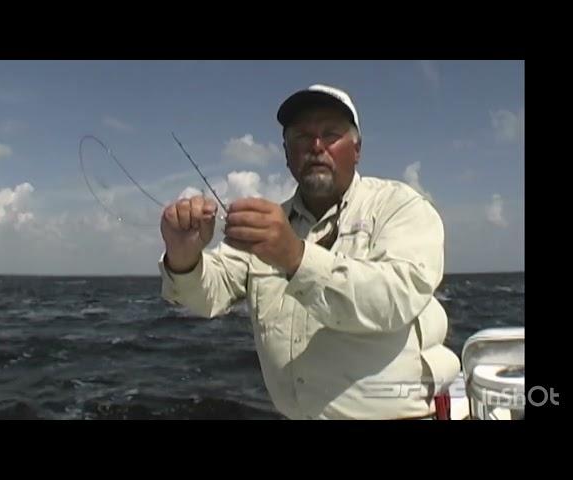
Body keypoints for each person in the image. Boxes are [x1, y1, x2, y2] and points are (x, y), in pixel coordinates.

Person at [158, 84, 461, 420]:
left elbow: (397, 297)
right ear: (287, 154)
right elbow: (207, 295)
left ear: (357, 149)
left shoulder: (400, 207)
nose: (316, 147)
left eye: (330, 134)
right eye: (302, 137)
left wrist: (296, 257)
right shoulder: (268, 226)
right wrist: (184, 257)